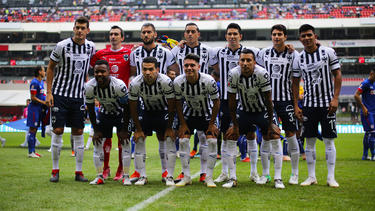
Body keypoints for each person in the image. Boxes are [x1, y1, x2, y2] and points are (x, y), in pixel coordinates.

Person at [225, 48, 284, 189]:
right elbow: (232, 101)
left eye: (248, 60)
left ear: (254, 62)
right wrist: (235, 124)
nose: (245, 63)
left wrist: (270, 123)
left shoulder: (262, 73)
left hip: (262, 109)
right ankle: (232, 178)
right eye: (242, 60)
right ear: (239, 62)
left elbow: (269, 100)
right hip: (244, 110)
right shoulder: (233, 74)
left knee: (274, 135)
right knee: (231, 135)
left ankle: (277, 178)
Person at [46, 16, 95, 182]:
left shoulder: (91, 47)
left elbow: (89, 71)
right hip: (60, 94)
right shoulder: (62, 46)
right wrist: (49, 92)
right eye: (77, 27)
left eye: (83, 28)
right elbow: (50, 68)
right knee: (58, 130)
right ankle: (55, 170)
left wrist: (90, 92)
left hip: (78, 96)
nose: (80, 31)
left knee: (79, 131)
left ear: (88, 30)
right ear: (73, 28)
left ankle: (79, 172)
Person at [292, 24, 342, 188]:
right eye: (303, 36)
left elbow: (337, 75)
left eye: (309, 35)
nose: (306, 38)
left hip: (328, 105)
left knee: (329, 141)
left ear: (315, 36)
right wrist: (296, 106)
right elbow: (295, 82)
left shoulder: (327, 52)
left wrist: (335, 99)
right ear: (300, 39)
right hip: (309, 105)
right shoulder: (299, 57)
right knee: (310, 141)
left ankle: (331, 177)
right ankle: (311, 176)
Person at [129, 22, 179, 182]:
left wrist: (172, 76)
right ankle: (139, 173)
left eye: (149, 32)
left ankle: (166, 173)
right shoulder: (134, 53)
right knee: (139, 137)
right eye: (143, 32)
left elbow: (174, 71)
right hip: (143, 102)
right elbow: (132, 73)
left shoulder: (165, 52)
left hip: (163, 101)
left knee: (163, 137)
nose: (146, 35)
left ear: (155, 34)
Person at [211, 23, 260, 184]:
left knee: (251, 134)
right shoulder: (219, 52)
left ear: (240, 36)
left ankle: (254, 172)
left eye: (235, 34)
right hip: (226, 99)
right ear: (226, 36)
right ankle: (225, 172)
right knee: (227, 136)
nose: (232, 36)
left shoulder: (250, 52)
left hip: (246, 100)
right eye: (229, 34)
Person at [171, 22, 217, 183]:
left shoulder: (208, 50)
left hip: (205, 102)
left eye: (193, 31)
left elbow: (218, 66)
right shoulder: (178, 50)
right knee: (183, 138)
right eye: (187, 32)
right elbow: (170, 65)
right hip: (187, 101)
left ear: (199, 34)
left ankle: (205, 174)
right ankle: (186, 175)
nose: (190, 34)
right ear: (184, 34)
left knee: (206, 139)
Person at [257, 24, 300, 185]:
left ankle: (294, 174)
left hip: (286, 101)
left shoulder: (293, 54)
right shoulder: (263, 53)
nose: (276, 37)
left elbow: (295, 81)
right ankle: (266, 175)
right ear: (271, 36)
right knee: (268, 136)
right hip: (268, 102)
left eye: (280, 34)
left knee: (291, 135)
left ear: (285, 37)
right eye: (274, 34)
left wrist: (296, 105)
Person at [90, 25, 132, 181]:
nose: (113, 36)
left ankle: (121, 170)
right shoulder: (101, 53)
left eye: (116, 34)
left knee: (123, 139)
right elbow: (93, 69)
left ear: (122, 37)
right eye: (111, 34)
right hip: (105, 102)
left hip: (122, 102)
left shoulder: (129, 53)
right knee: (105, 139)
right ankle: (105, 168)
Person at [85, 60, 131, 185]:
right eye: (96, 72)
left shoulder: (118, 85)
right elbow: (90, 109)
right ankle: (100, 175)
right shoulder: (89, 86)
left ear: (109, 72)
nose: (99, 74)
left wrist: (125, 128)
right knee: (98, 143)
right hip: (104, 114)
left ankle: (125, 175)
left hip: (121, 114)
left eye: (103, 71)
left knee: (125, 143)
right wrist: (96, 130)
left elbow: (127, 107)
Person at [25, 66, 46, 158]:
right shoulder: (34, 82)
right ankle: (30, 152)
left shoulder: (41, 82)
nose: (45, 72)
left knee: (35, 129)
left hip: (39, 109)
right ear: (39, 72)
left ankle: (33, 151)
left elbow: (41, 95)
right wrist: (43, 102)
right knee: (32, 129)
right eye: (43, 70)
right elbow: (33, 98)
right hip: (34, 109)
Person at [354, 69, 375, 160]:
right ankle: (373, 155)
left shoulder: (374, 84)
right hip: (368, 113)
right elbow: (356, 95)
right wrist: (363, 107)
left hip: (373, 112)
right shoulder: (365, 83)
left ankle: (365, 155)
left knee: (368, 133)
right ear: (371, 74)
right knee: (372, 133)